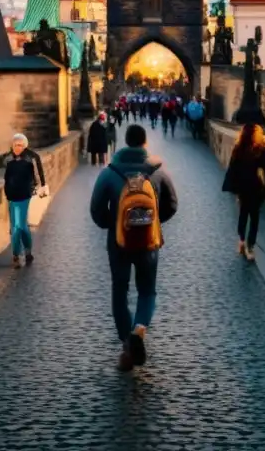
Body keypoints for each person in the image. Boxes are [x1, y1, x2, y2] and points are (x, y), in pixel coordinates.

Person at [89, 124, 179, 371]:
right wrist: (153, 224)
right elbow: (172, 204)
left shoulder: (110, 173)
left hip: (118, 242)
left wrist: (114, 225)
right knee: (147, 290)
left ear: (125, 142)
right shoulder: (158, 172)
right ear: (144, 144)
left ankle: (126, 341)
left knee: (120, 290)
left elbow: (96, 210)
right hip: (148, 241)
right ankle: (139, 330)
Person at [222, 123, 265, 261]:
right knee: (254, 217)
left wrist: (234, 189)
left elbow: (233, 169)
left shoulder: (239, 148)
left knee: (244, 213)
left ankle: (242, 240)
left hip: (243, 188)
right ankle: (250, 246)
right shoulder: (260, 149)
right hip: (256, 188)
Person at [2, 133, 48, 269]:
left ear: (25, 145)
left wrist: (43, 186)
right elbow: (6, 177)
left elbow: (40, 172)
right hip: (11, 196)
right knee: (18, 226)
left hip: (25, 195)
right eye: (16, 145)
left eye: (20, 145)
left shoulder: (31, 157)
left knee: (18, 226)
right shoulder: (8, 158)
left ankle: (18, 254)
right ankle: (26, 253)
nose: (18, 147)